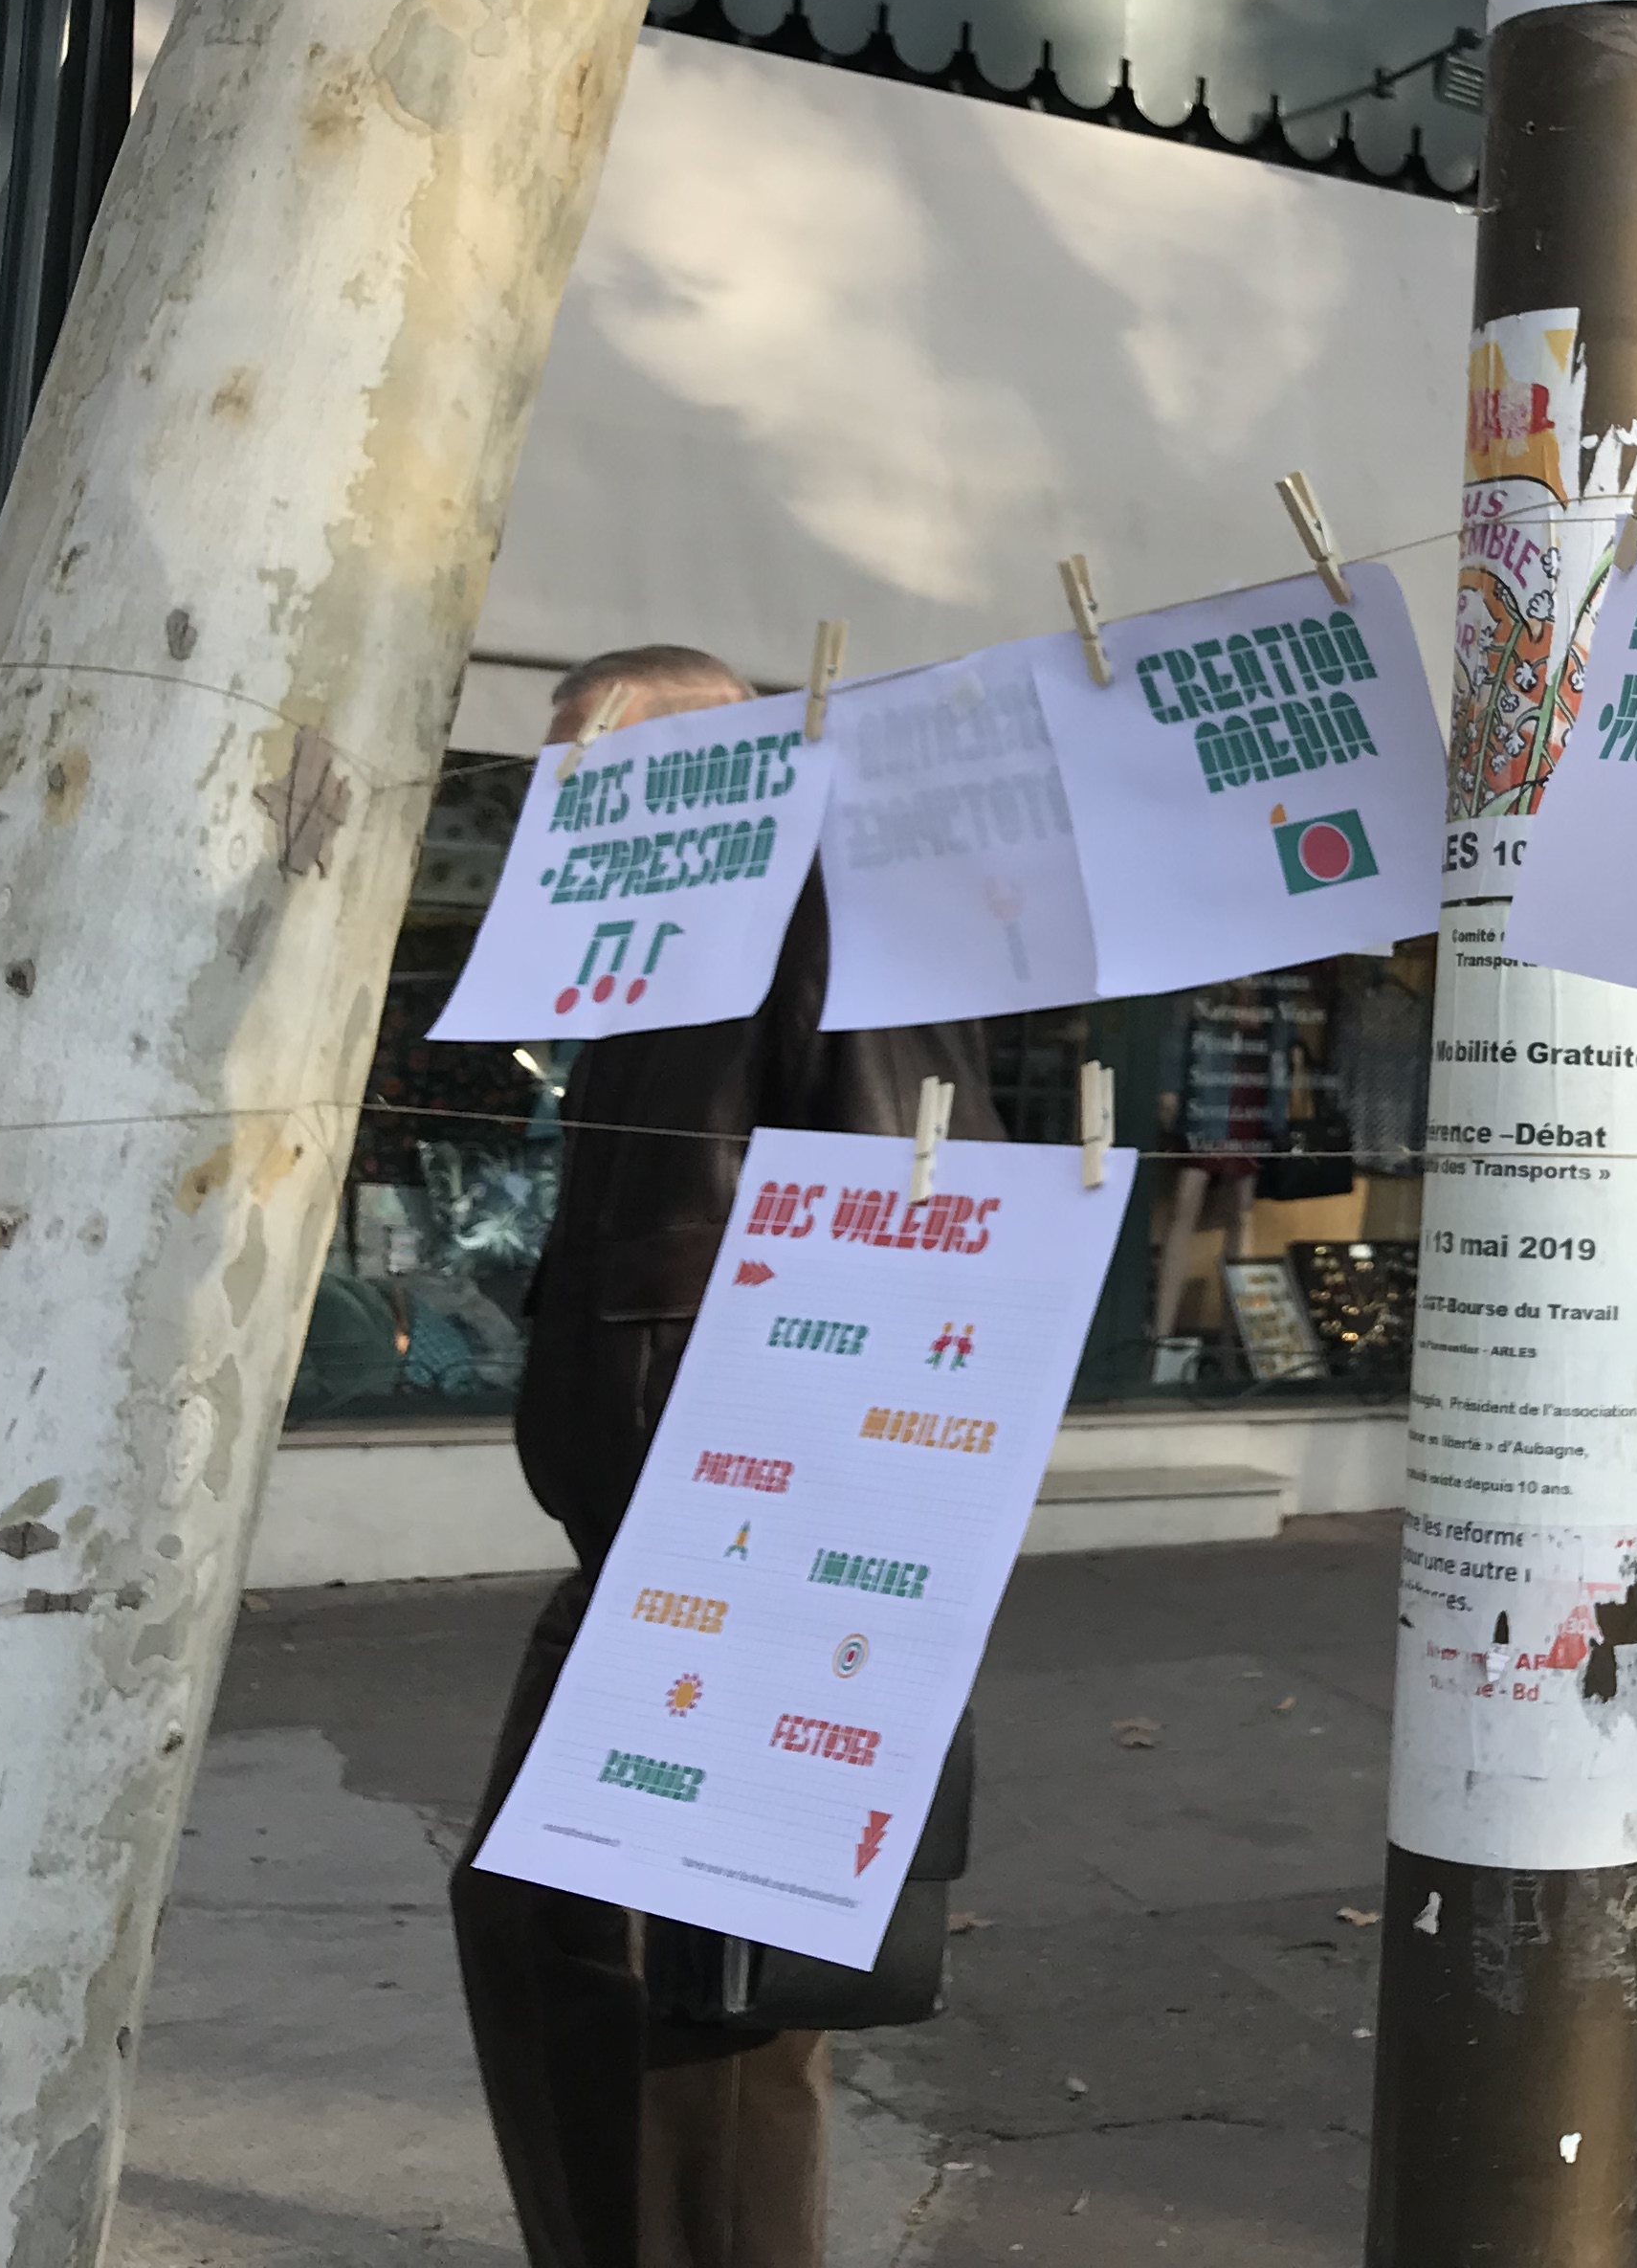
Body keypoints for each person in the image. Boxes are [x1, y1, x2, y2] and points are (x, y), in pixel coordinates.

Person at [450, 644, 995, 2268]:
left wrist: (841, 1545)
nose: (567, 822)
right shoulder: (664, 956)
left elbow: (921, 1213)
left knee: (693, 1991)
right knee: (554, 1936)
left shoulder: (830, 898)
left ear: (714, 761)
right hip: (649, 1543)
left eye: (594, 778)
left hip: (755, 1538)